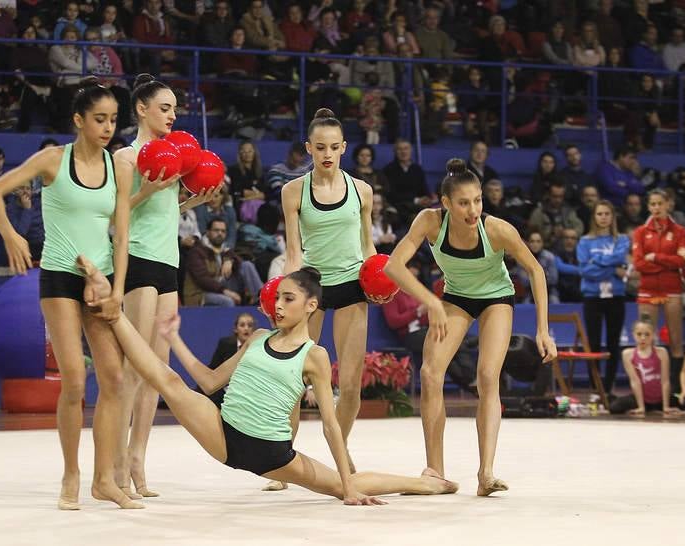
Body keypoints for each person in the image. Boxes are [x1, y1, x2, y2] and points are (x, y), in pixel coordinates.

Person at [77, 256, 458, 503]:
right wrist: (173, 338)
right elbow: (209, 383)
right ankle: (114, 311)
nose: (277, 305)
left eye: (288, 299)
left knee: (349, 485)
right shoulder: (258, 338)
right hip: (224, 434)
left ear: (311, 306)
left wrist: (347, 486)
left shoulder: (315, 356)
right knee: (168, 381)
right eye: (277, 298)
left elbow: (329, 424)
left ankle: (425, 483)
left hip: (271, 453)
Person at [0, 78, 138, 510]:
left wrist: (117, 289)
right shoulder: (53, 160)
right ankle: (71, 473)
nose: (108, 127)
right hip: (59, 279)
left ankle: (105, 479)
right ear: (78, 120)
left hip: (102, 280)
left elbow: (121, 235)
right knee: (73, 380)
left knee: (115, 379)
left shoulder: (117, 168)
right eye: (99, 119)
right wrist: (13, 236)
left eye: (112, 120)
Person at [385, 158, 557, 496]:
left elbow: (536, 271)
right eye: (464, 203)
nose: (473, 209)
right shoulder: (430, 222)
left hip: (496, 298)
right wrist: (431, 302)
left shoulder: (497, 229)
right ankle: (436, 471)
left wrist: (543, 329)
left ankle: (486, 474)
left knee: (488, 377)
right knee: (431, 373)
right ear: (446, 204)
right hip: (455, 297)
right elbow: (394, 267)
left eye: (477, 200)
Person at [112, 74, 216, 499]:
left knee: (157, 372)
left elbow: (163, 209)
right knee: (134, 370)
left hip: (167, 265)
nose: (173, 115)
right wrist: (147, 189)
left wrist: (192, 200)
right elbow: (114, 214)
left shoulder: (173, 159)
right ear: (141, 109)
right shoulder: (125, 156)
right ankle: (115, 463)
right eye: (165, 107)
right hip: (136, 261)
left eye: (175, 109)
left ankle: (138, 456)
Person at [276, 108, 387, 491]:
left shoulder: (362, 190)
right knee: (293, 380)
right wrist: (287, 296)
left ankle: (339, 452)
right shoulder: (293, 191)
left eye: (334, 147)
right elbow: (293, 251)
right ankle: (282, 460)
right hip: (312, 289)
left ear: (344, 148)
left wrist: (379, 280)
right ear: (308, 148)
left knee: (351, 385)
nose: (327, 153)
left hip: (353, 286)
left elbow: (367, 244)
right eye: (319, 147)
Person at [632, 189, 685, 393]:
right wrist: (668, 263)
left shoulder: (680, 232)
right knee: (645, 338)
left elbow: (683, 260)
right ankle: (648, 389)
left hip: (672, 290)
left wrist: (655, 257)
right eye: (652, 204)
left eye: (659, 204)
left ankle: (675, 390)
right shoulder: (640, 232)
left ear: (668, 205)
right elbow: (639, 263)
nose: (656, 208)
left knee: (675, 339)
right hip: (647, 291)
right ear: (648, 207)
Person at [577, 200, 630, 396]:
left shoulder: (622, 240)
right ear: (594, 217)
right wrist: (613, 269)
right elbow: (585, 271)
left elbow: (620, 259)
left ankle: (608, 388)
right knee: (593, 342)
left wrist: (597, 261)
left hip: (615, 296)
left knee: (613, 343)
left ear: (612, 216)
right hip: (592, 297)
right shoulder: (584, 242)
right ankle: (595, 388)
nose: (603, 217)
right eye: (600, 214)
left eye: (607, 213)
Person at [184, 217, 263, 306]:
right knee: (227, 301)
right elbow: (202, 280)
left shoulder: (224, 249)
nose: (220, 233)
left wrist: (230, 260)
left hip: (220, 285)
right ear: (208, 232)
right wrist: (225, 291)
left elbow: (238, 261)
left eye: (223, 231)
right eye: (216, 230)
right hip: (201, 292)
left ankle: (261, 299)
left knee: (247, 265)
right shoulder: (197, 251)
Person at [611, 319, 682, 416]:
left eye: (647, 334)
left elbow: (665, 381)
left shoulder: (661, 352)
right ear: (633, 334)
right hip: (642, 399)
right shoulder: (628, 354)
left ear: (653, 335)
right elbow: (635, 381)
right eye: (639, 334)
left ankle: (658, 407)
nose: (643, 338)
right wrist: (641, 407)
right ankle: (646, 407)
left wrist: (666, 406)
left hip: (661, 399)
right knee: (614, 407)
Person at [207, 312, 257, 407]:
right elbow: (213, 367)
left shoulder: (258, 347)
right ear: (236, 329)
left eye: (250, 325)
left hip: (249, 394)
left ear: (254, 329)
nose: (246, 328)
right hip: (225, 392)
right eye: (242, 325)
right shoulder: (225, 344)